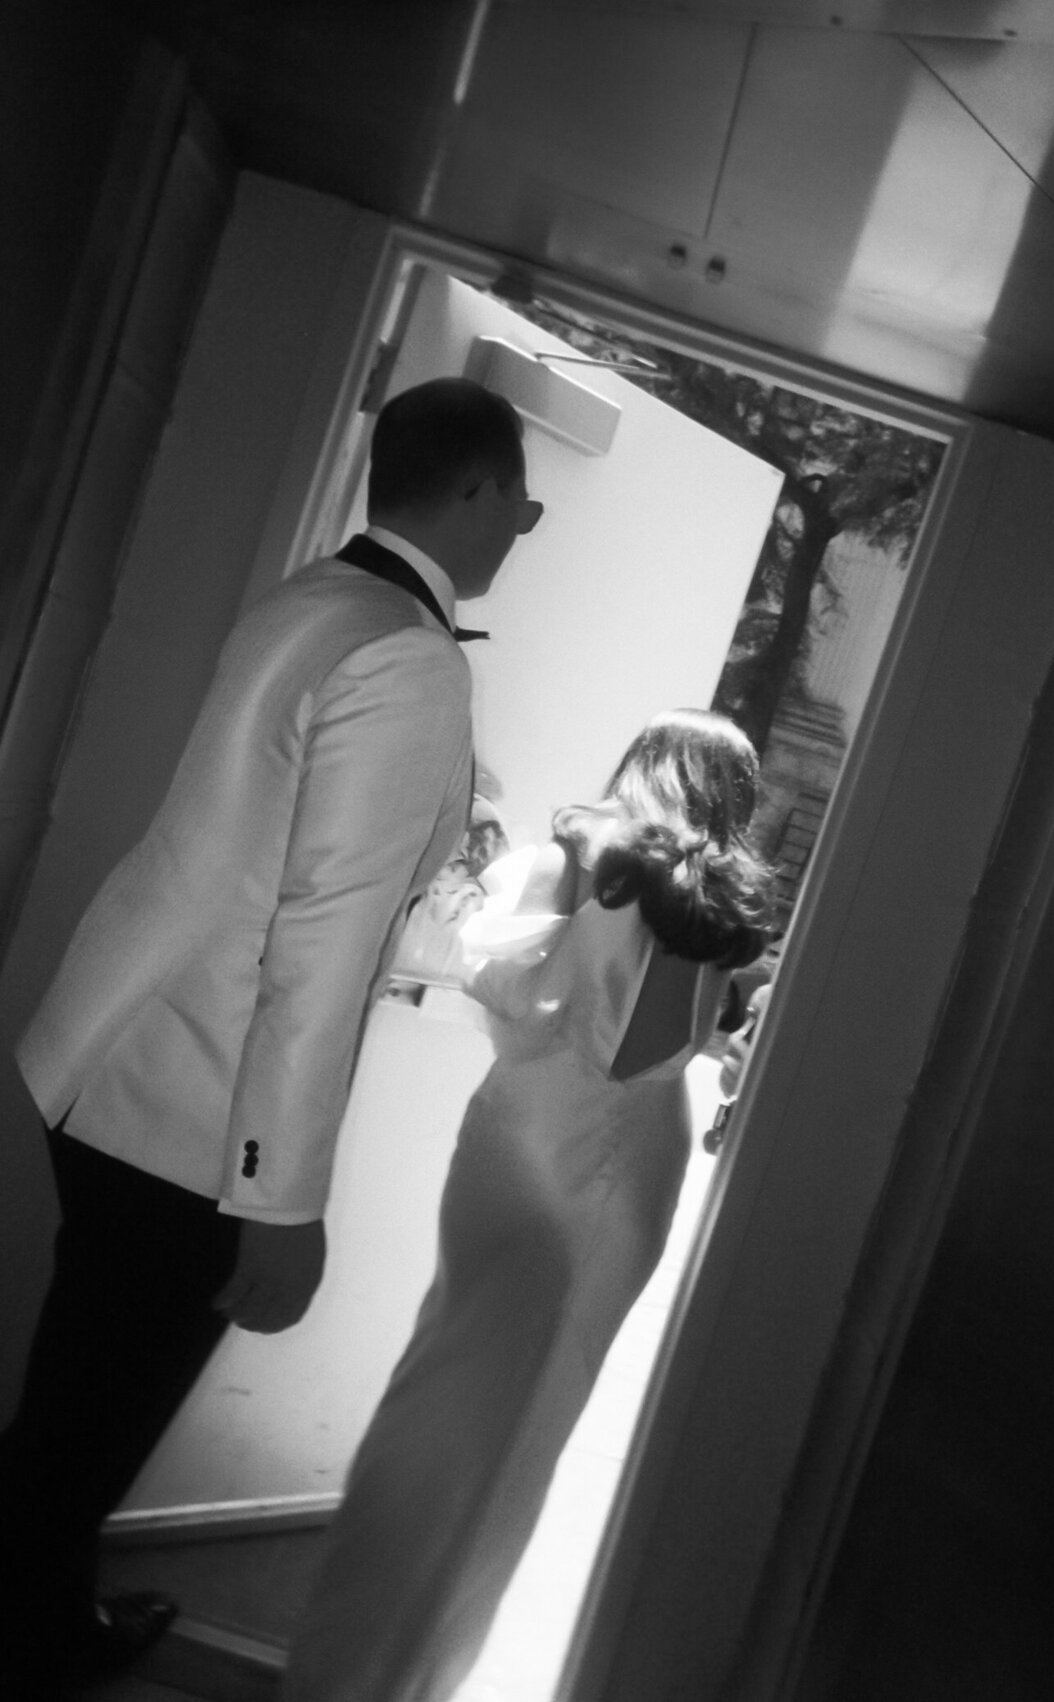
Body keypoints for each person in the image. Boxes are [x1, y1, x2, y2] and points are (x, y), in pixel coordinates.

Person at [0, 376, 542, 1698]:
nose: (522, 526)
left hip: (113, 1053)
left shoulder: (316, 595)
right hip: (194, 1107)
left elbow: (269, 863)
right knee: (83, 1432)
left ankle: (45, 1621)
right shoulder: (409, 654)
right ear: (472, 488)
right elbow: (318, 939)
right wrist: (280, 1200)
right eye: (520, 502)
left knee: (70, 1411)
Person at [283, 708, 776, 1702]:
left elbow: (508, 984)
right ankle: (397, 1674)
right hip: (616, 1161)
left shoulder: (607, 872)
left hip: (529, 1140)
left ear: (642, 770)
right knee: (511, 1430)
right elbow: (649, 1053)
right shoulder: (693, 908)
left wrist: (574, 871)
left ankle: (357, 1672)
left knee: (455, 1399)